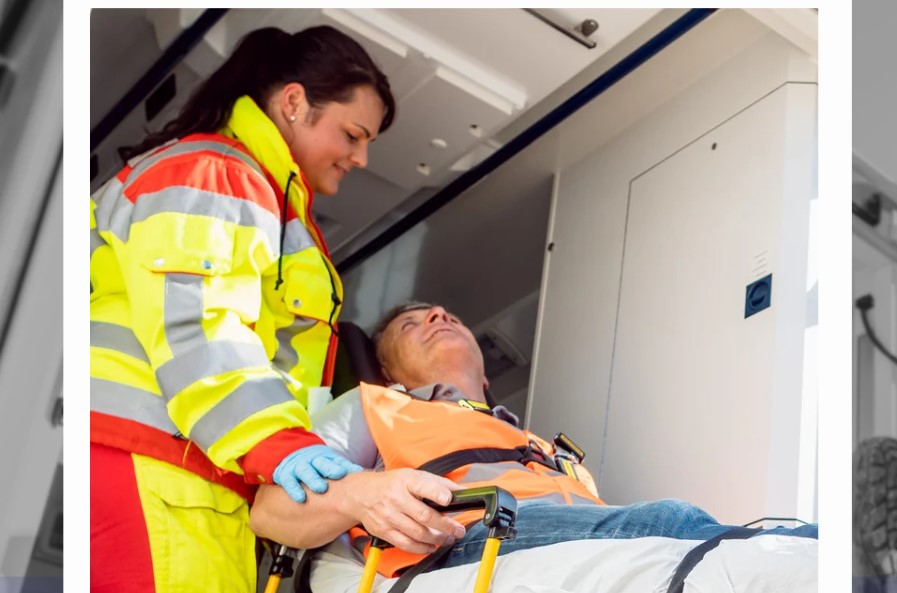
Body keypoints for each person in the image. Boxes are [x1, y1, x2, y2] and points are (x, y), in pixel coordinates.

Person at [90, 25, 396, 593]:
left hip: (195, 475)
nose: (361, 157)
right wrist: (279, 445)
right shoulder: (217, 175)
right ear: (294, 102)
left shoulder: (257, 193)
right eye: (353, 135)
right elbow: (201, 325)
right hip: (148, 462)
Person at [249, 301, 818, 579]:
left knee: (751, 540)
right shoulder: (375, 404)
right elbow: (271, 511)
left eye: (445, 315)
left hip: (569, 535)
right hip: (466, 539)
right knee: (674, 520)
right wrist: (364, 494)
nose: (437, 314)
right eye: (411, 323)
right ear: (387, 369)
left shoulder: (551, 450)